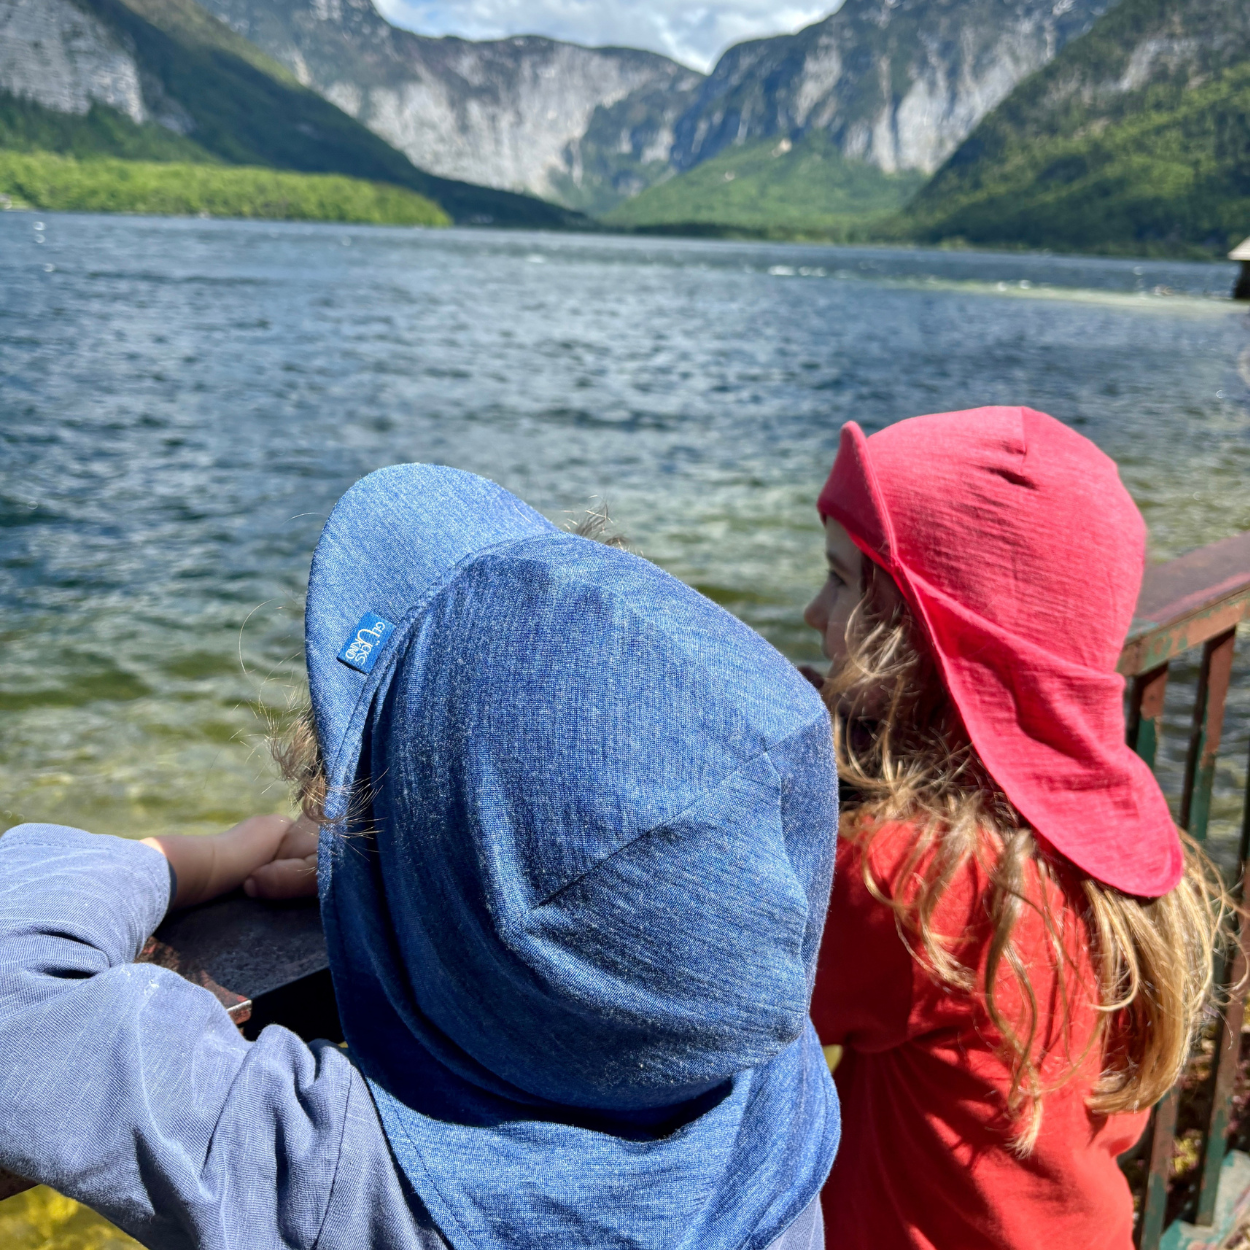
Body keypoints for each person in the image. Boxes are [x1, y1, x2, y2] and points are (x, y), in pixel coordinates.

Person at [0, 465, 840, 1250]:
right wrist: (395, 884)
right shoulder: (769, 1106)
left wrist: (197, 859)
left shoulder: (328, 1175)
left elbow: (14, 986)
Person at [802, 406, 1227, 1250]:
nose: (816, 612)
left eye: (842, 581)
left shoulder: (907, 876)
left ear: (923, 635)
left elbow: (728, 1003)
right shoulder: (1103, 844)